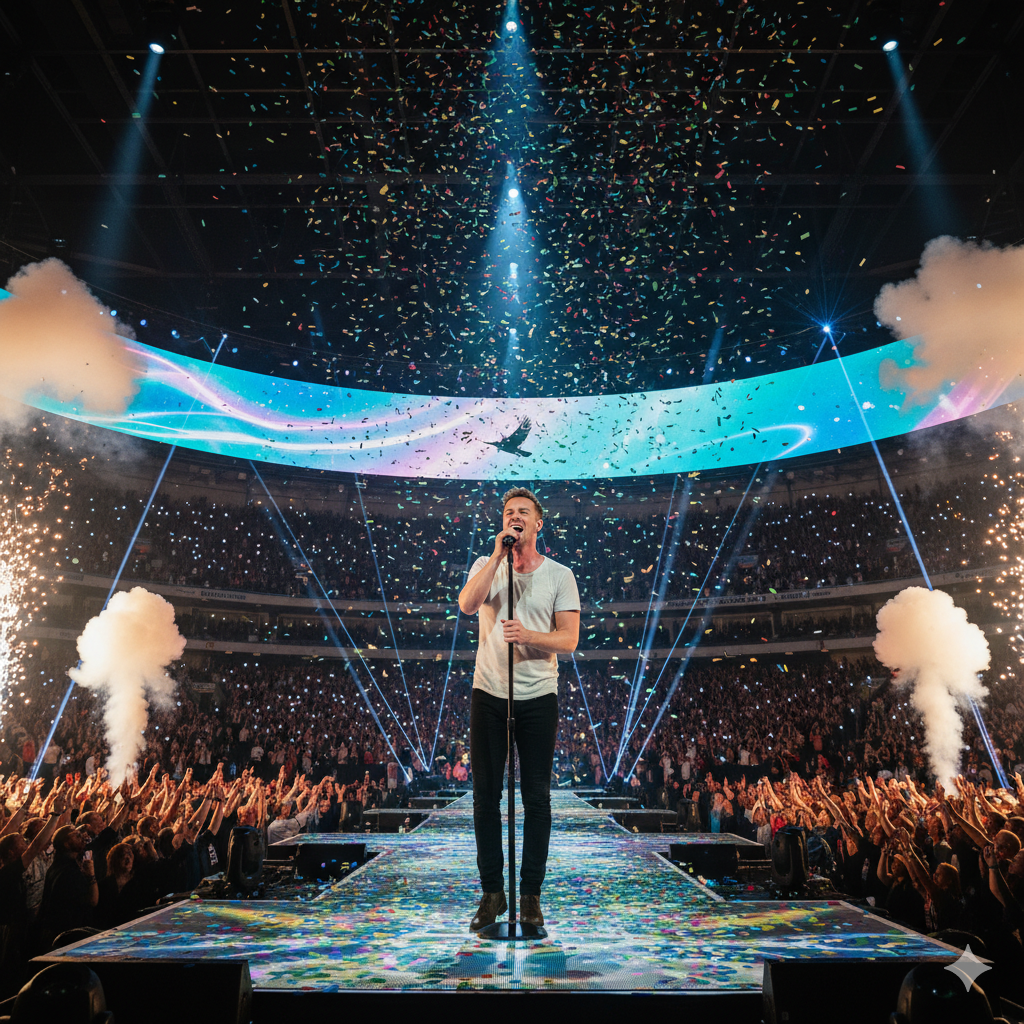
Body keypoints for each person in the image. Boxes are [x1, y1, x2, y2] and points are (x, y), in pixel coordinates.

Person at [458, 486, 580, 932]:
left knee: (537, 798)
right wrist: (496, 556)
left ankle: (530, 896)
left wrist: (528, 636)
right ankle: (493, 892)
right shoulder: (485, 565)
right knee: (485, 797)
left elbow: (569, 639)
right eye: (509, 512)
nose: (515, 517)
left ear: (538, 523)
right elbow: (467, 605)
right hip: (489, 691)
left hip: (538, 695)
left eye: (523, 512)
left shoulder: (560, 575)